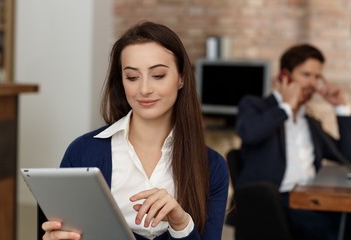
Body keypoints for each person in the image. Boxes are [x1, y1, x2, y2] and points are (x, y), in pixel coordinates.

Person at [38, 21, 229, 240]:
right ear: (121, 82)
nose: (144, 89)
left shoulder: (211, 167)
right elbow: (50, 230)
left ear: (181, 78)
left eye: (158, 75)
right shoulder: (82, 152)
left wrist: (181, 223)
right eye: (132, 77)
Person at [235, 43, 351, 240]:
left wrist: (341, 109)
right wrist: (286, 106)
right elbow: (249, 133)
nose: (313, 83)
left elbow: (346, 155)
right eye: (306, 75)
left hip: (309, 199)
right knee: (331, 233)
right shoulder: (256, 106)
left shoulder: (310, 122)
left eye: (317, 77)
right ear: (284, 76)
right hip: (274, 201)